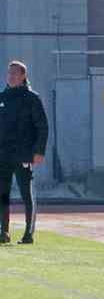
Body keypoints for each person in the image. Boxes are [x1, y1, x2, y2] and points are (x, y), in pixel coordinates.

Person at [0, 60, 48, 245]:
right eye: (9, 73)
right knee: (3, 194)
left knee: (26, 194)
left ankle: (28, 234)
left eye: (14, 73)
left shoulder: (32, 98)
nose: (10, 76)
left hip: (24, 154)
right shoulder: (2, 97)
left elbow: (42, 127)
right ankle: (3, 232)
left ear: (23, 76)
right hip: (3, 155)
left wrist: (39, 151)